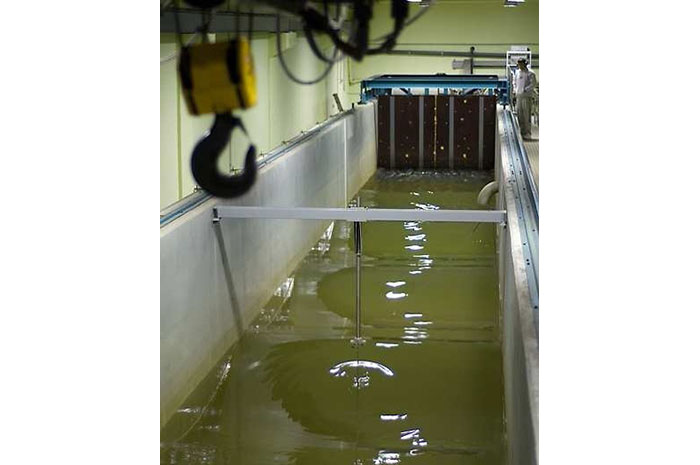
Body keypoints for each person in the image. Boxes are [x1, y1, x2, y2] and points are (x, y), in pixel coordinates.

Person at [514, 58, 537, 140]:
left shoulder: (530, 73)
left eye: (521, 63)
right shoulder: (517, 72)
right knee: (519, 115)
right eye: (518, 63)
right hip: (518, 96)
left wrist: (525, 90)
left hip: (526, 97)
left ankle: (527, 133)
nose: (519, 65)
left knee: (526, 115)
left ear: (524, 64)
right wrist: (515, 90)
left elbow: (533, 84)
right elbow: (514, 82)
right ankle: (522, 132)